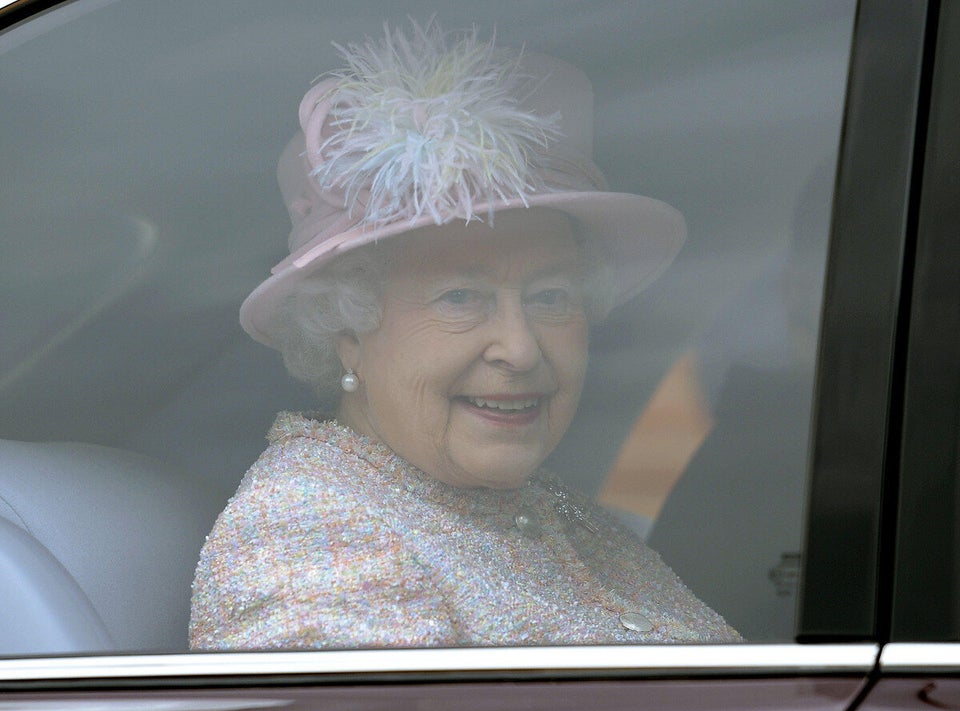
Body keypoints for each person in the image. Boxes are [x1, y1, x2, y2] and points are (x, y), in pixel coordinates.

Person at [189, 19, 738, 649]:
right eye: (461, 297)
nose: (522, 348)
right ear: (347, 329)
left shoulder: (543, 505)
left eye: (551, 296)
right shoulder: (311, 539)